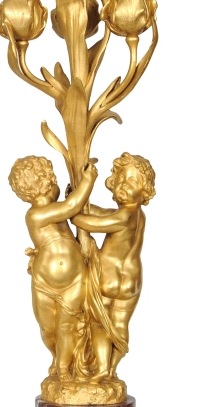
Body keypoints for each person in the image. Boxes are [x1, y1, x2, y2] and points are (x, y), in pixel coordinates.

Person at [9, 156, 97, 381]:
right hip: (44, 284)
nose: (56, 185)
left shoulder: (57, 211)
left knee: (66, 326)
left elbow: (72, 207)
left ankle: (64, 367)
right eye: (52, 181)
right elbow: (71, 206)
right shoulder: (35, 215)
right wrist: (88, 180)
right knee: (48, 329)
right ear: (42, 186)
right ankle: (57, 357)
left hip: (74, 280)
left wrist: (74, 193)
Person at [72, 152, 155, 379]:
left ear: (145, 189)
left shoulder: (122, 218)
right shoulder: (137, 215)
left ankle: (101, 368)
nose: (124, 184)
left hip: (107, 278)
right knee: (120, 324)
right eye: (121, 179)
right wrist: (83, 203)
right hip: (132, 281)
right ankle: (111, 369)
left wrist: (73, 212)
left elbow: (90, 223)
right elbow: (102, 213)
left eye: (132, 181)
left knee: (100, 323)